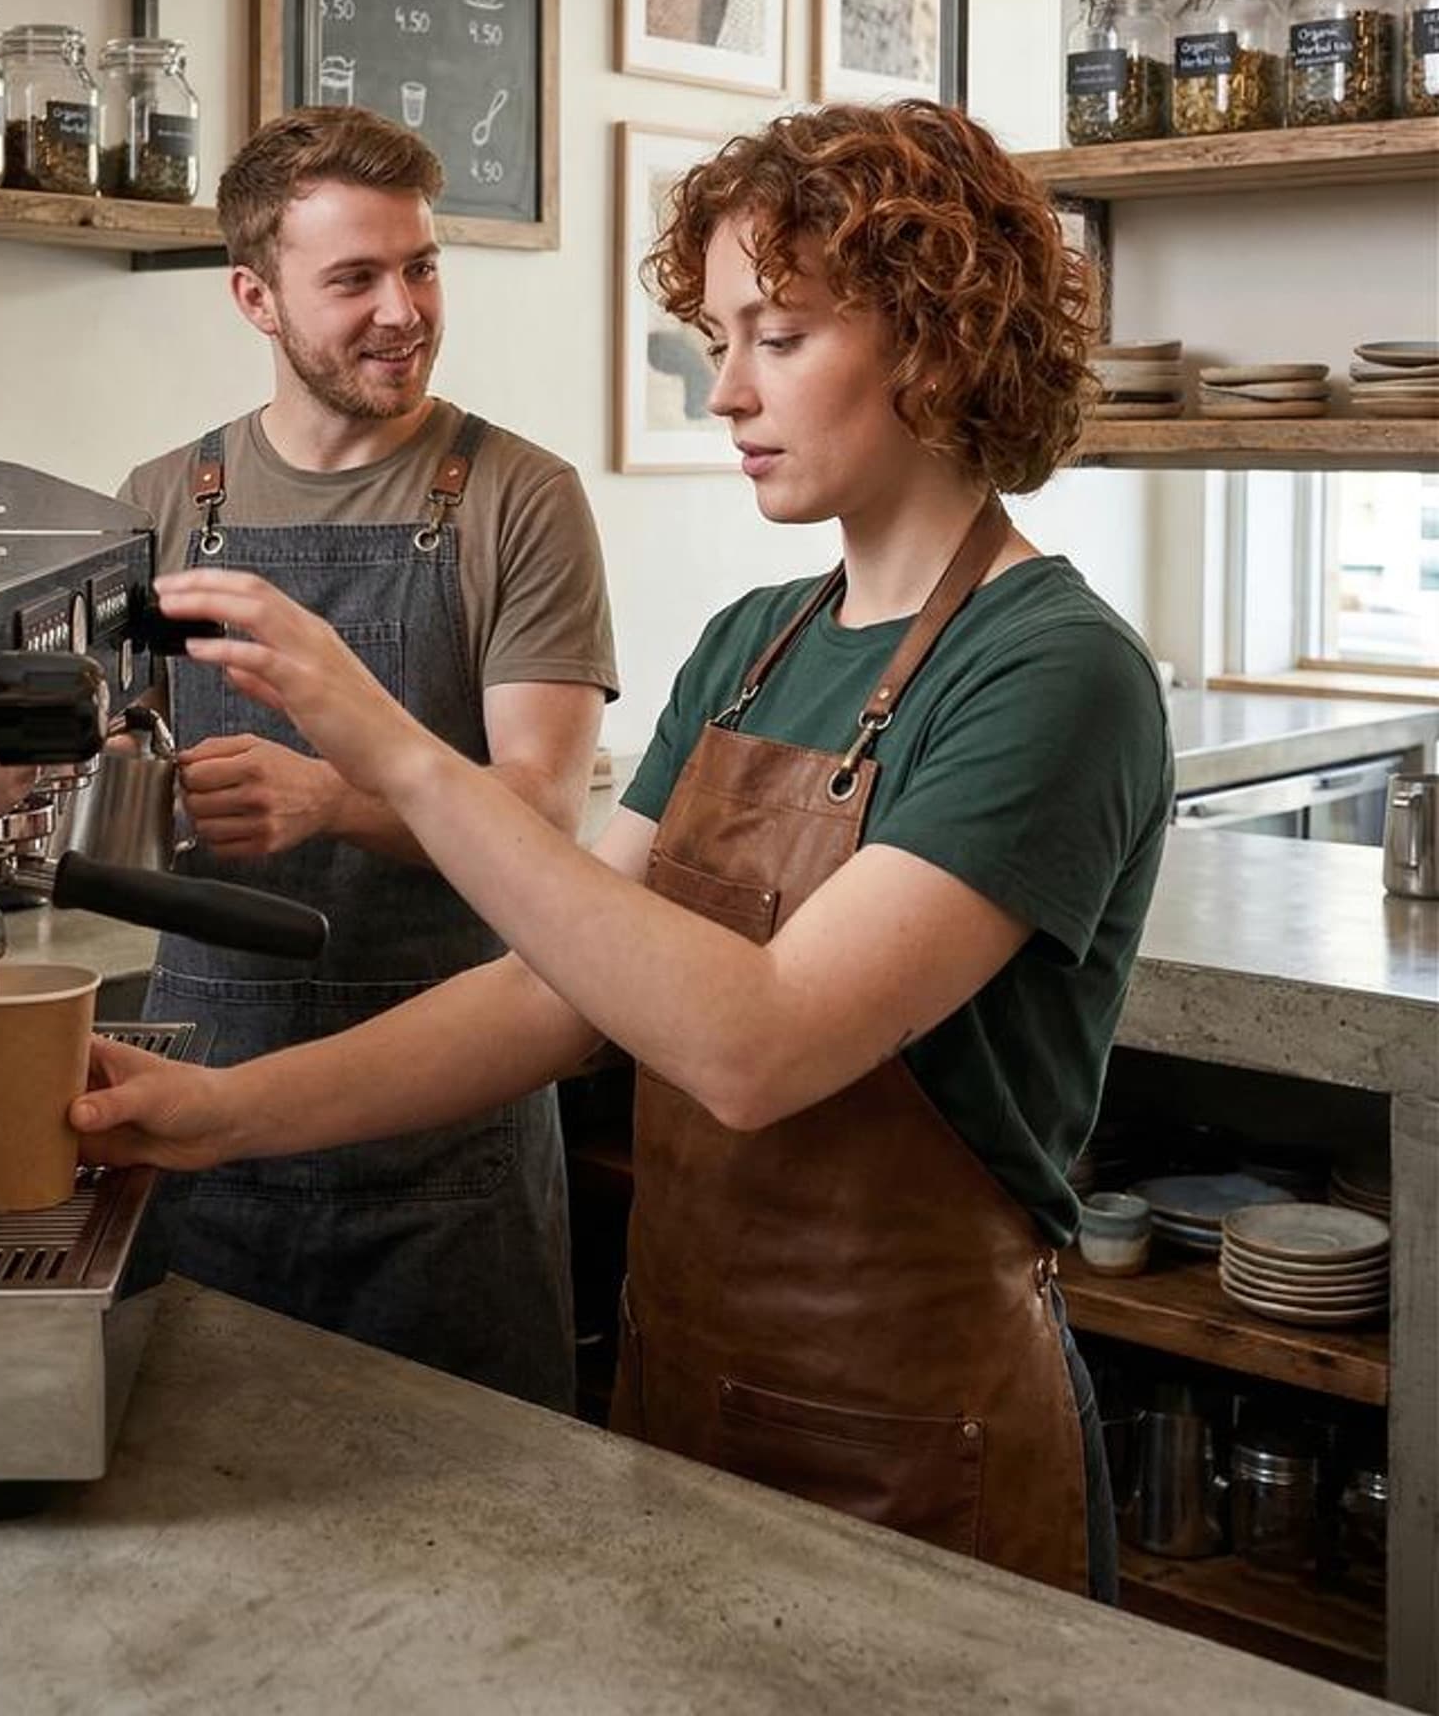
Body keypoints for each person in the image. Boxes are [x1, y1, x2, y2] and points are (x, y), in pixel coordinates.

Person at [84, 100, 1173, 1600]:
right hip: (679, 1399)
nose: (722, 392)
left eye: (776, 337)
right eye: (719, 338)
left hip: (924, 1449)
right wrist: (219, 1114)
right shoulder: (756, 642)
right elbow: (559, 987)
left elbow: (757, 1046)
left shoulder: (1052, 672)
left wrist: (375, 741)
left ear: (933, 339)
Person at [117, 105, 618, 1412]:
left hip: (449, 1147)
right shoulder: (164, 504)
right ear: (254, 296)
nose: (403, 310)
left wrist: (332, 797)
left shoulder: (519, 497)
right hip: (203, 1103)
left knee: (478, 1525)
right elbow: (89, 782)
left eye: (423, 266)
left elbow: (546, 817)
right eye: (354, 278)